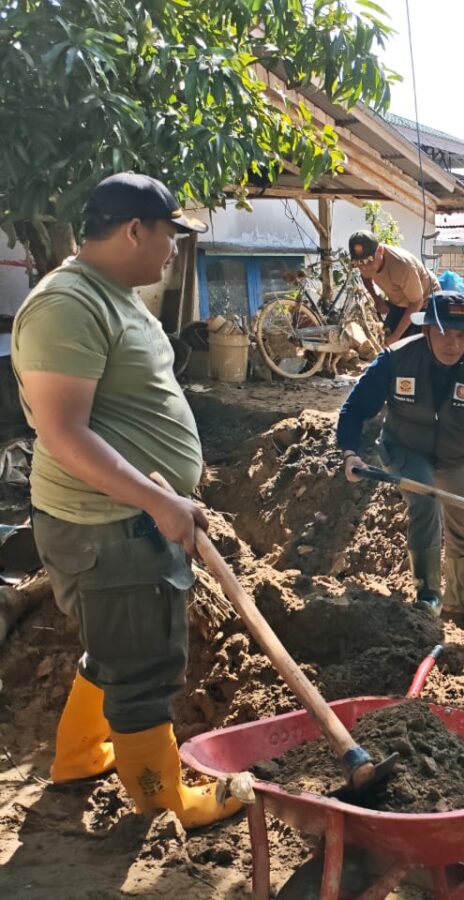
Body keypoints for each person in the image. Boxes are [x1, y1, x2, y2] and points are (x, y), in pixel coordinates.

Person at [12, 173, 241, 826]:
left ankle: (81, 754)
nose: (173, 249)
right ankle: (164, 800)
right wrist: (158, 500)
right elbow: (63, 432)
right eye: (169, 234)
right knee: (143, 664)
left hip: (124, 516)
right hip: (110, 524)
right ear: (135, 229)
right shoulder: (66, 305)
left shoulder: (112, 294)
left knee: (117, 648)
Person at [337, 291, 464, 621]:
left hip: (454, 457)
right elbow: (354, 409)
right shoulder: (394, 360)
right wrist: (350, 454)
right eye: (444, 332)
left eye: (461, 335)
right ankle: (428, 594)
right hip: (403, 448)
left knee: (462, 521)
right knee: (426, 499)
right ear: (427, 329)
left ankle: (461, 597)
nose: (453, 343)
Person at [348, 231, 436, 346]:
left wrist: (396, 337)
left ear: (380, 251)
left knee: (411, 347)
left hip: (424, 303)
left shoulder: (402, 266)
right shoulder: (366, 264)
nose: (364, 267)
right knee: (386, 340)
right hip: (400, 302)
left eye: (368, 260)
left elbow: (417, 302)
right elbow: (366, 277)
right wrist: (377, 299)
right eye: (358, 262)